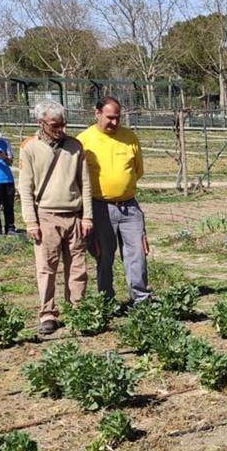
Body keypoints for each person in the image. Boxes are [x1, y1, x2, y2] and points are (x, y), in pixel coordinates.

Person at [19, 100, 92, 335]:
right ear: (41, 123)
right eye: (54, 125)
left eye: (63, 124)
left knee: (78, 268)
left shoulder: (75, 146)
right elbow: (25, 188)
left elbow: (86, 185)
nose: (60, 129)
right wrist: (31, 222)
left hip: (74, 215)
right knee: (46, 268)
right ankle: (47, 313)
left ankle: (77, 310)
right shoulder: (29, 148)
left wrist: (87, 217)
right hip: (46, 216)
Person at [77, 97, 149, 305]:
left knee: (137, 255)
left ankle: (140, 299)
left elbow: (137, 170)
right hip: (100, 208)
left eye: (117, 118)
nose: (115, 123)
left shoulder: (130, 137)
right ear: (97, 113)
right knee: (104, 255)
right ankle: (106, 301)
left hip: (129, 207)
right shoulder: (84, 140)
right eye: (110, 118)